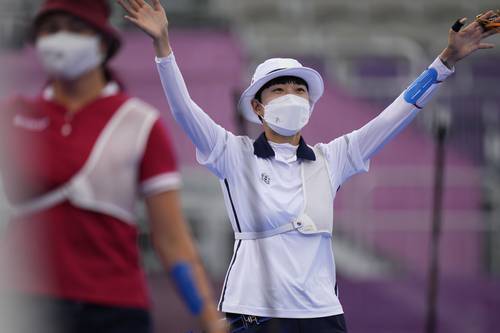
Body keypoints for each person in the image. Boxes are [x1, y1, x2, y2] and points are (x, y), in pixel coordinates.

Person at [117, 0, 500, 332]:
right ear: (257, 106)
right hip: (252, 312)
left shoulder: (333, 157)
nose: (292, 96)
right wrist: (163, 46)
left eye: (299, 89)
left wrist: (444, 62)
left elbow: (396, 113)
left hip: (321, 315)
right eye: (279, 89)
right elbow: (184, 110)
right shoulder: (232, 153)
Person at [0, 1, 227, 332]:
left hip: (114, 311)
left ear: (103, 43)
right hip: (24, 305)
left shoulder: (140, 123)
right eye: (51, 29)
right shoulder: (13, 115)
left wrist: (208, 317)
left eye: (75, 28)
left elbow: (172, 240)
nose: (61, 39)